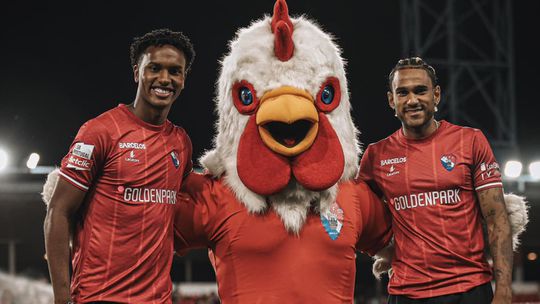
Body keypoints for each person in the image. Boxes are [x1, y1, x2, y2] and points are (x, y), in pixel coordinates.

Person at [43, 28, 195, 304]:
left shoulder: (181, 143)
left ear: (184, 79)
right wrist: (62, 298)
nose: (164, 79)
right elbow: (59, 211)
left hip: (158, 299)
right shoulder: (100, 132)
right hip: (100, 296)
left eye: (175, 71)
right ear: (137, 72)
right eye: (154, 68)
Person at [359, 57, 513, 303]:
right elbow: (358, 214)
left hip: (470, 289)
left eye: (421, 91)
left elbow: (497, 218)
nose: (412, 100)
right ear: (392, 100)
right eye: (403, 93)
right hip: (406, 293)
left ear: (437, 95)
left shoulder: (470, 141)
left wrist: (504, 289)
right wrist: (376, 248)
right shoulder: (376, 155)